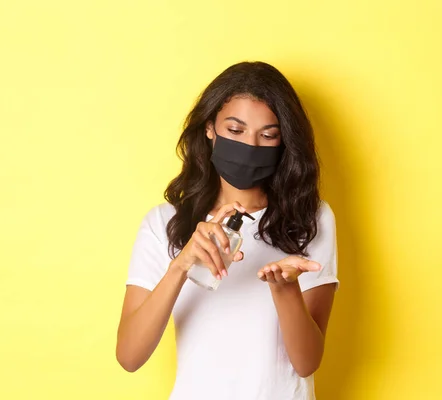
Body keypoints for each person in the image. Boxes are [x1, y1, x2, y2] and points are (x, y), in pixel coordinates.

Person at [116, 61, 339, 400]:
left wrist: (285, 289)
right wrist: (181, 264)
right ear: (210, 128)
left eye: (267, 135)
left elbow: (307, 362)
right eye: (235, 131)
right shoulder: (164, 224)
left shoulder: (310, 218)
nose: (250, 145)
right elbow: (130, 356)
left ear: (283, 142)